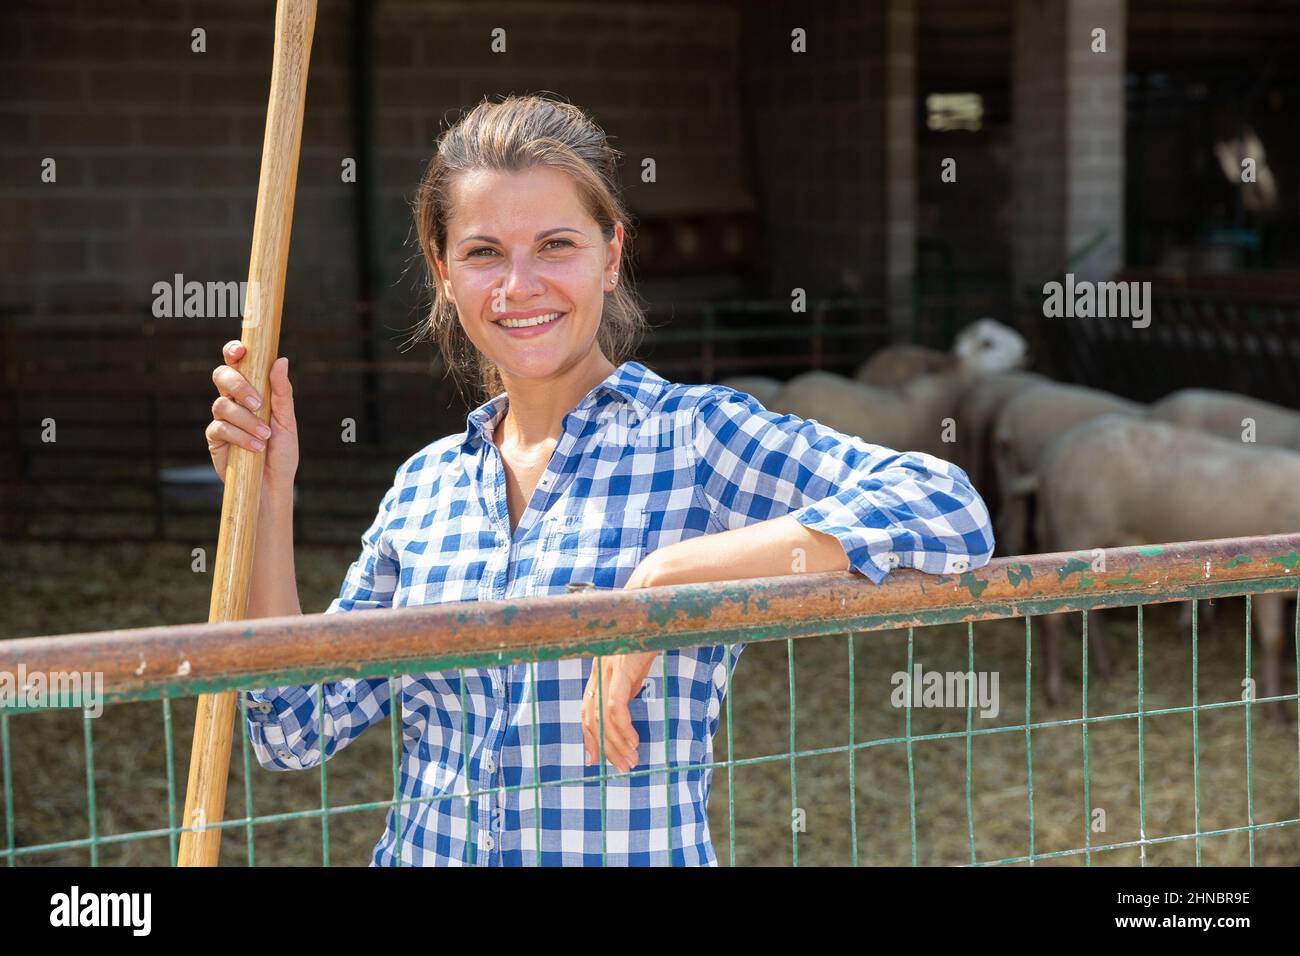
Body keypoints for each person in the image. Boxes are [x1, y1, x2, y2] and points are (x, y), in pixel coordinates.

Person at [205, 94, 995, 866]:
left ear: (610, 256)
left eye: (556, 245)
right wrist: (270, 496)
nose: (520, 286)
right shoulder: (424, 488)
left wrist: (667, 576)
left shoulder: (695, 439)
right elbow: (292, 730)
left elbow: (948, 508)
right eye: (484, 253)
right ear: (445, 273)